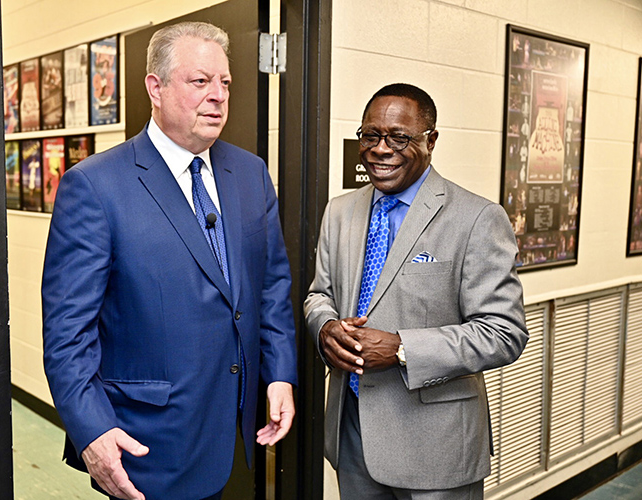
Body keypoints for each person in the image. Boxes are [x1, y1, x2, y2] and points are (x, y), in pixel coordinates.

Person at [42, 21, 297, 500]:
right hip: (145, 443)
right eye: (200, 82)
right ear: (154, 89)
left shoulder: (250, 173)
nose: (218, 96)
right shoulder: (96, 186)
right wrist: (90, 432)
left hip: (236, 428)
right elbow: (67, 334)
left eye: (225, 83)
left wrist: (279, 372)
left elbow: (270, 286)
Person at [304, 83, 528, 499]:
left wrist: (401, 349)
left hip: (435, 448)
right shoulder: (340, 211)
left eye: (399, 138)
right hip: (353, 432)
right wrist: (325, 327)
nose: (379, 149)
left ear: (431, 141)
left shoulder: (477, 218)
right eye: (370, 136)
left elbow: (504, 333)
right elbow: (320, 295)